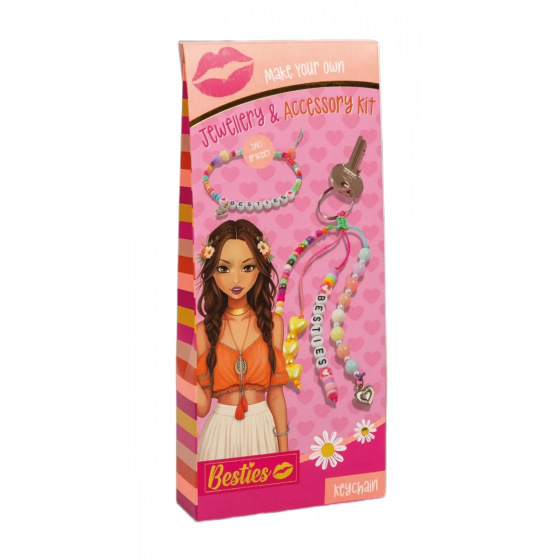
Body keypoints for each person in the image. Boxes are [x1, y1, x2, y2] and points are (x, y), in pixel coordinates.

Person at [196, 219, 289, 461]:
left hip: (262, 428)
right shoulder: (203, 331)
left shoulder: (273, 323)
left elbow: (276, 394)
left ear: (260, 267)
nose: (236, 279)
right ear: (211, 270)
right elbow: (202, 408)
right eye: (224, 268)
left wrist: (284, 452)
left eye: (247, 267)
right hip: (220, 433)